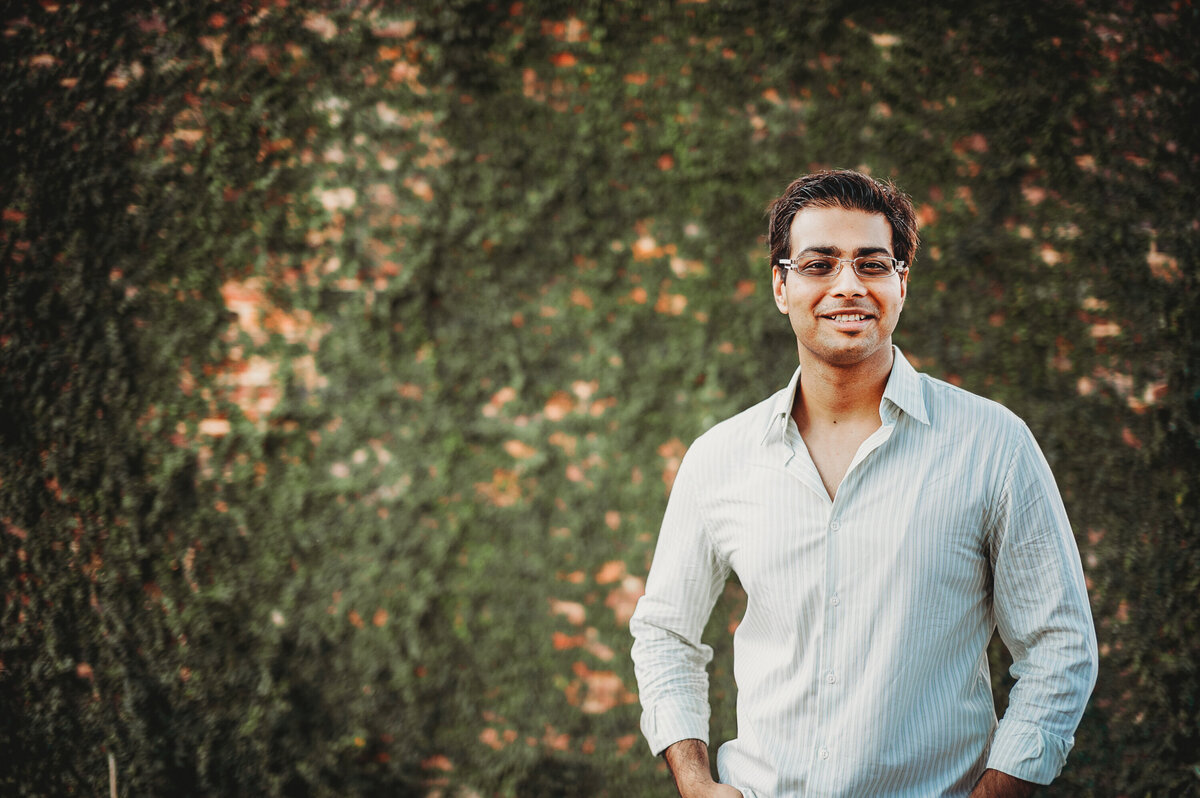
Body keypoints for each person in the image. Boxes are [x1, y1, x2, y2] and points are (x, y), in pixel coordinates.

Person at [629, 170, 1098, 798]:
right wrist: (694, 780)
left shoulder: (994, 446)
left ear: (901, 283)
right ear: (781, 285)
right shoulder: (720, 458)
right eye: (819, 265)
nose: (847, 286)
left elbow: (1060, 646)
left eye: (872, 264)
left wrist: (996, 791)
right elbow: (665, 632)